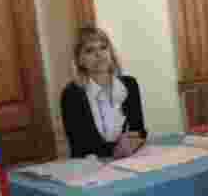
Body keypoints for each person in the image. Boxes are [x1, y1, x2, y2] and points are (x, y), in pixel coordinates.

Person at [60, 26, 146, 159]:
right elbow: (80, 145)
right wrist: (117, 148)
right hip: (90, 165)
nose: (99, 54)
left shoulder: (130, 85)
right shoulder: (72, 94)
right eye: (89, 50)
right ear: (79, 60)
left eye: (103, 47)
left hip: (128, 161)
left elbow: (138, 131)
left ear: (111, 53)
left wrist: (136, 140)